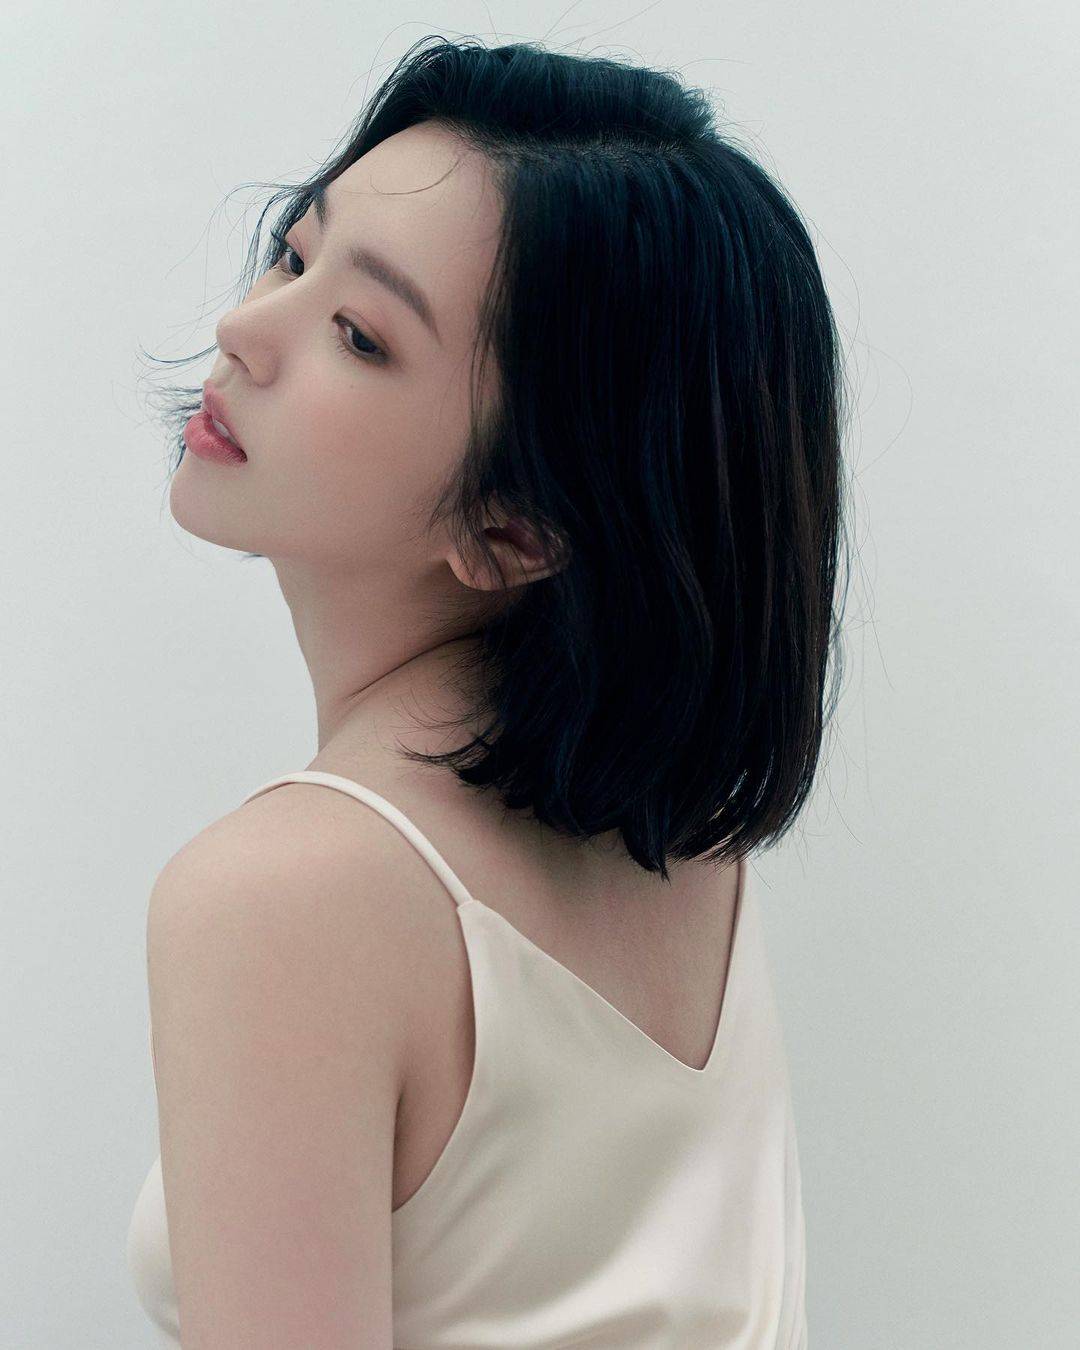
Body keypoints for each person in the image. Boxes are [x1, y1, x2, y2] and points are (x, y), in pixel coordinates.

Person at [128, 34, 846, 1348]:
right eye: (294, 252)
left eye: (359, 333)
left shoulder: (287, 895)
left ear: (516, 528)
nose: (244, 328)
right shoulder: (682, 839)